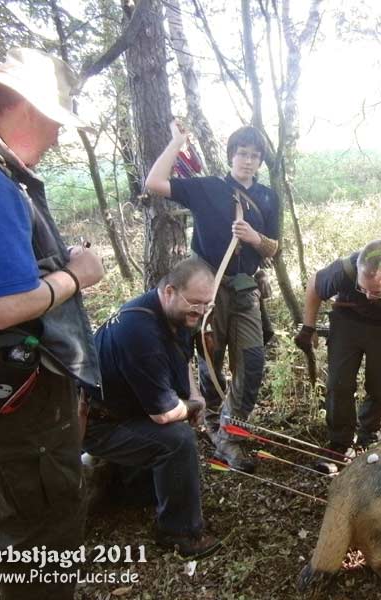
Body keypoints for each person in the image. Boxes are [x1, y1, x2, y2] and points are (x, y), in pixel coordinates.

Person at [0, 48, 104, 599]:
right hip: (14, 386)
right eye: (56, 120)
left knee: (24, 512)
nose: (57, 136)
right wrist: (75, 276)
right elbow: (1, 306)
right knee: (42, 527)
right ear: (30, 109)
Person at [145, 122, 280, 473]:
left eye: (254, 155)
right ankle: (210, 421)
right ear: (231, 155)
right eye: (242, 153)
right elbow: (154, 183)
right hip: (206, 289)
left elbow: (275, 249)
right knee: (210, 358)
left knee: (252, 362)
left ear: (260, 160)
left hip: (245, 288)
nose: (247, 161)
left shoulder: (267, 197)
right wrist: (176, 142)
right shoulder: (208, 188)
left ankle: (229, 434)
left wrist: (254, 237)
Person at [82, 258, 221, 558]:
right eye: (195, 303)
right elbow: (164, 414)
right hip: (97, 423)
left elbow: (183, 359)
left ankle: (129, 490)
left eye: (207, 305)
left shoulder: (178, 315)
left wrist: (195, 398)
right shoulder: (141, 331)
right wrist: (193, 407)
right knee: (177, 440)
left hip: (127, 409)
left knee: (175, 432)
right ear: (170, 291)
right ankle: (179, 532)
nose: (201, 312)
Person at [294, 240, 381, 474]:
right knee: (339, 383)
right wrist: (308, 328)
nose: (368, 295)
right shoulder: (344, 270)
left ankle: (369, 431)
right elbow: (314, 285)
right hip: (347, 322)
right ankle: (340, 444)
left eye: (376, 291)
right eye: (362, 288)